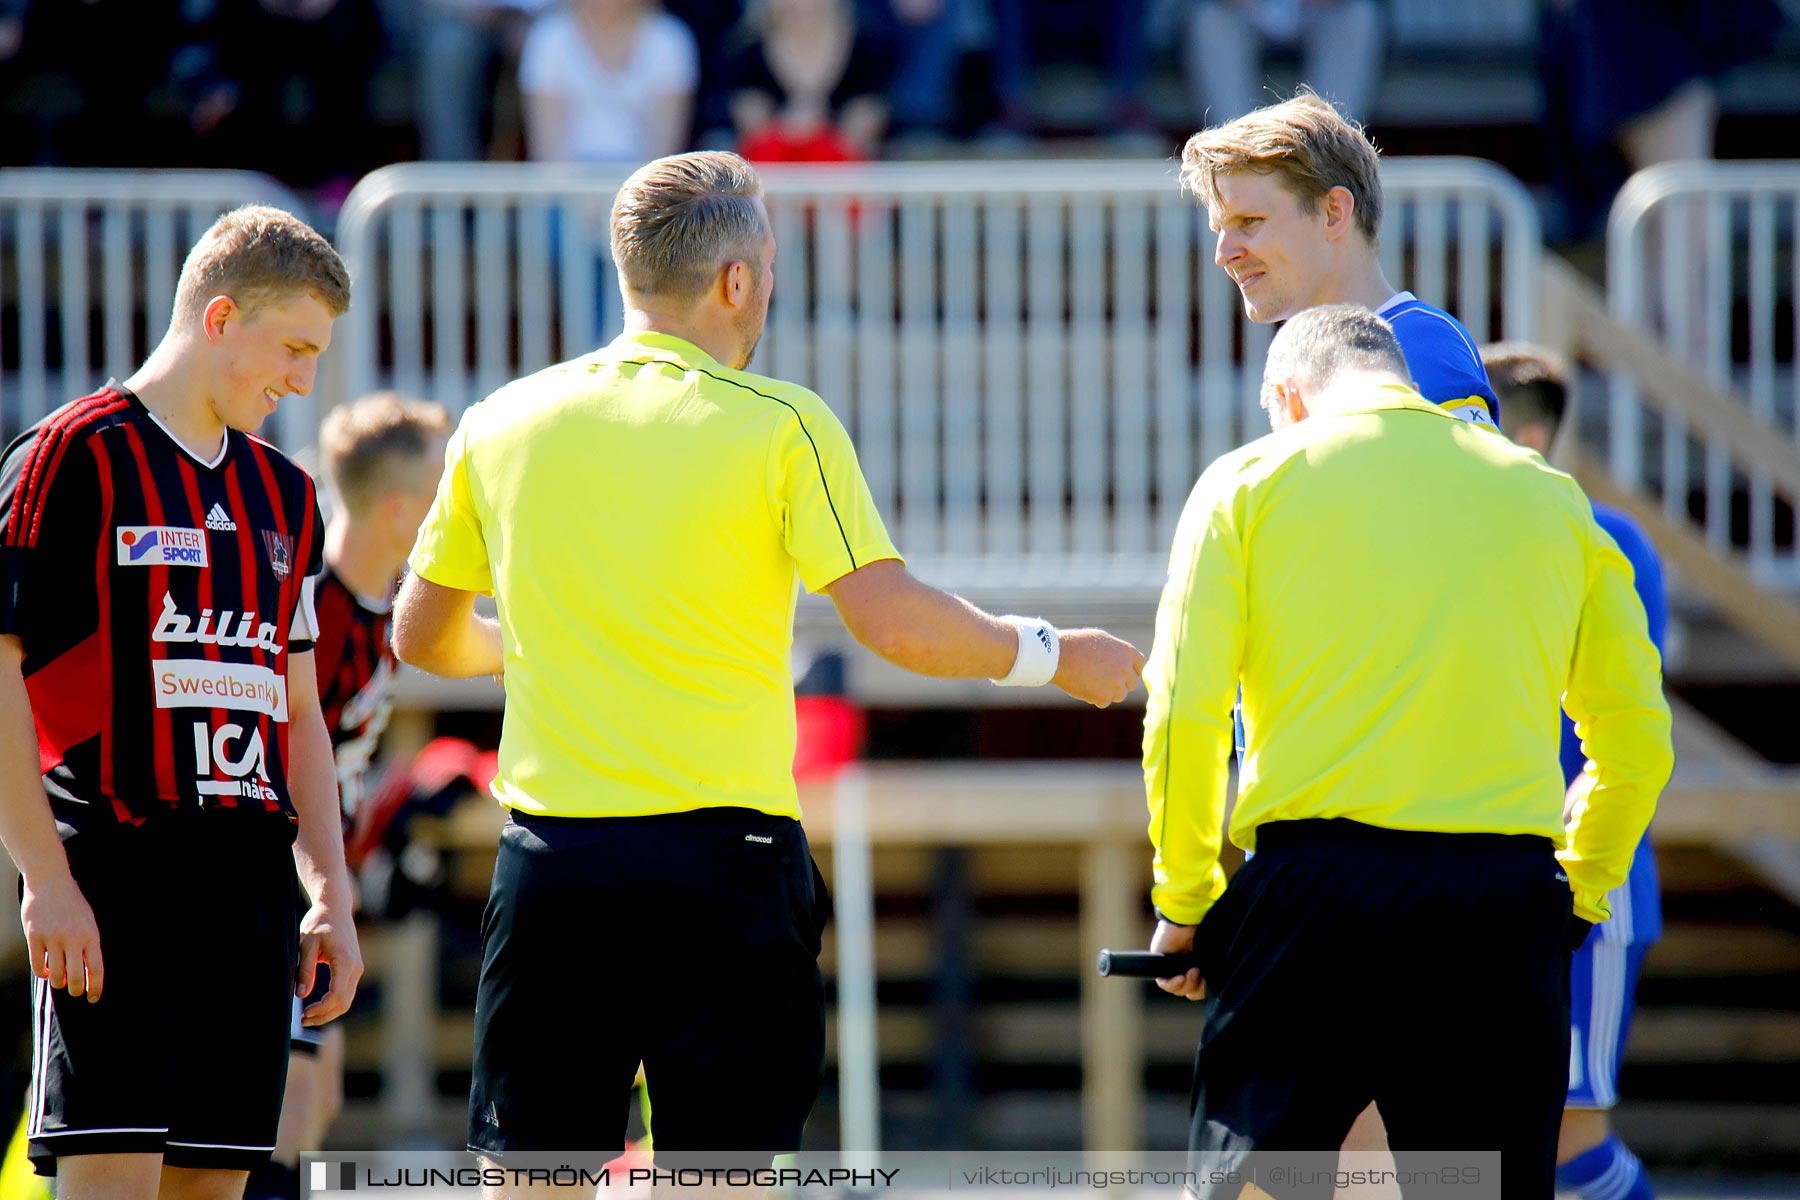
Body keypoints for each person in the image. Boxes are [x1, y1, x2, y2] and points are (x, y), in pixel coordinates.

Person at [392, 149, 1144, 1166]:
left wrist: (534, 647)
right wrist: (1049, 655)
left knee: (535, 1180)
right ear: (735, 280)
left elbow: (420, 637)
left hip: (555, 870)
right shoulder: (782, 423)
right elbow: (892, 622)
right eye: (771, 270)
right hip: (723, 866)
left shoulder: (501, 421)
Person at [1141, 305, 1671, 1200]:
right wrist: (1575, 890)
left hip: (1312, 890)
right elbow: (1635, 740)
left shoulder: (1247, 481)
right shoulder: (1551, 497)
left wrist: (1186, 897)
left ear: (1286, 395)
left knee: (1256, 1188)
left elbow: (1184, 714)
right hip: (1501, 899)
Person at [0, 206, 363, 1197]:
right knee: (111, 1182)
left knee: (215, 1187)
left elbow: (297, 708)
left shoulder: (285, 492)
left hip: (249, 900)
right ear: (218, 318)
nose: (302, 381)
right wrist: (46, 877)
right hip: (116, 883)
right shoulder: (71, 457)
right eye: (292, 348)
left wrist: (327, 887)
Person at [248, 393, 450, 1200]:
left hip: (331, 891)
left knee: (317, 1094)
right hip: (285, 893)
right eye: (445, 489)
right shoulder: (315, 613)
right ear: (401, 510)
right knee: (290, 1108)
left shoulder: (394, 603)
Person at [1482, 344, 1667, 1200]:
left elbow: (1623, 727)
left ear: (1524, 432)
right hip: (1495, 879)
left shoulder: (1603, 536)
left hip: (1585, 879)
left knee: (1573, 1145)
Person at [1181, 90, 1501, 428]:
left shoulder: (1422, 344)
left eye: (1249, 221)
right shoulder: (1303, 360)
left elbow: (1466, 481)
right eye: (1220, 229)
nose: (1223, 254)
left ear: (1333, 213)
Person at [518, 0, 699, 164]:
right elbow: (548, 149)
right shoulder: (548, 38)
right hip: (562, 191)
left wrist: (639, 197)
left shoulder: (669, 40)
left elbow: (663, 150)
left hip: (646, 191)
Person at [725, 0, 891, 162]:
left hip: (845, 180)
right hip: (770, 178)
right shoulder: (743, 54)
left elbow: (870, 120)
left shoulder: (870, 51)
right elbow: (750, 129)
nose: (803, 4)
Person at [1183, 0, 1385, 127]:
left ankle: (1330, 147)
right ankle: (1237, 152)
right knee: (1209, 20)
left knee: (1357, 16)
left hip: (1323, 10)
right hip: (1242, 10)